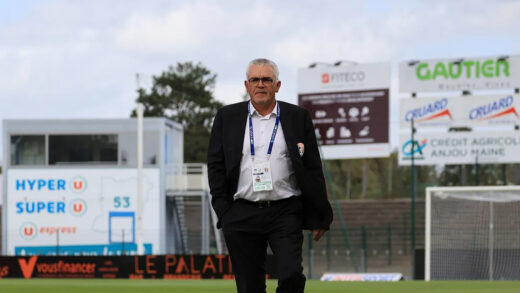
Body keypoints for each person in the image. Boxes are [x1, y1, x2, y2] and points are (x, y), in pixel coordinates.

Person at [207, 58, 333, 293]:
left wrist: (321, 215)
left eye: (267, 79)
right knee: (249, 286)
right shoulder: (227, 117)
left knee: (292, 276)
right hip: (241, 212)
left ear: (278, 85)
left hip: (285, 211)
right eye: (255, 79)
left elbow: (313, 168)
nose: (261, 84)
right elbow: (215, 165)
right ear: (247, 85)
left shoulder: (298, 117)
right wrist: (224, 210)